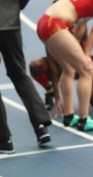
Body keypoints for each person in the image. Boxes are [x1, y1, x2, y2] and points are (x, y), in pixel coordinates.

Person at [36, 0, 93, 132]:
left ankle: (69, 116)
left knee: (68, 69)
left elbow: (79, 21)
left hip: (44, 23)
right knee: (87, 69)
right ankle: (84, 120)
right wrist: (87, 54)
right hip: (56, 24)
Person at [29, 19, 93, 115]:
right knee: (36, 66)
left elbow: (87, 62)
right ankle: (50, 89)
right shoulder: (53, 31)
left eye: (75, 24)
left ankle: (87, 93)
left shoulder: (82, 27)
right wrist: (57, 98)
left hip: (77, 64)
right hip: (59, 65)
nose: (73, 28)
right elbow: (53, 67)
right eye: (70, 26)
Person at [0, 0, 52, 154]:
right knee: (20, 75)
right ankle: (41, 127)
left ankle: (4, 140)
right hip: (11, 24)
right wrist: (14, 7)